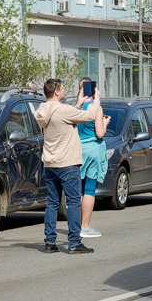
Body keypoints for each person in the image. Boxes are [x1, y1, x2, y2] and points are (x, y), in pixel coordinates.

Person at [35, 78, 100, 254]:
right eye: (62, 88)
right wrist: (96, 101)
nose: (65, 91)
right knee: (73, 202)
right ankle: (74, 242)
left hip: (50, 162)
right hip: (68, 162)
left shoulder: (41, 110)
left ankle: (49, 242)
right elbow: (89, 116)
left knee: (52, 202)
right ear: (56, 92)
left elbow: (66, 116)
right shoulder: (63, 110)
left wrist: (78, 104)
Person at [75, 79, 108, 239]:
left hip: (78, 150)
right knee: (89, 189)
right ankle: (85, 226)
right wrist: (105, 123)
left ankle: (78, 224)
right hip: (93, 149)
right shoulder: (96, 108)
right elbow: (100, 133)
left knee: (79, 189)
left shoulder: (77, 107)